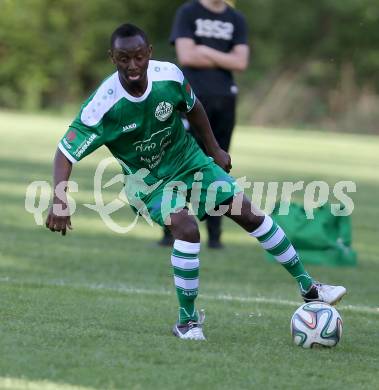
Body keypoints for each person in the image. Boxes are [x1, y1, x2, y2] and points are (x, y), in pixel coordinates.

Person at [45, 23, 346, 341]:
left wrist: (214, 148)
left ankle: (310, 288)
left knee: (248, 213)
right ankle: (187, 322)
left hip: (189, 161)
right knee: (186, 229)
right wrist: (60, 200)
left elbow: (193, 107)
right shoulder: (102, 106)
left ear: (148, 53)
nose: (132, 66)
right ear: (112, 58)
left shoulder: (169, 76)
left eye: (137, 57)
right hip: (147, 181)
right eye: (122, 58)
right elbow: (65, 152)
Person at [158, 0, 249, 249]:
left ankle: (215, 236)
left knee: (217, 165)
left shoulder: (236, 19)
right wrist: (224, 57)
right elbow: (186, 55)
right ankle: (171, 231)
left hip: (225, 100)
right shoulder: (188, 12)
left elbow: (240, 63)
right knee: (179, 162)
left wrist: (205, 51)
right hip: (191, 99)